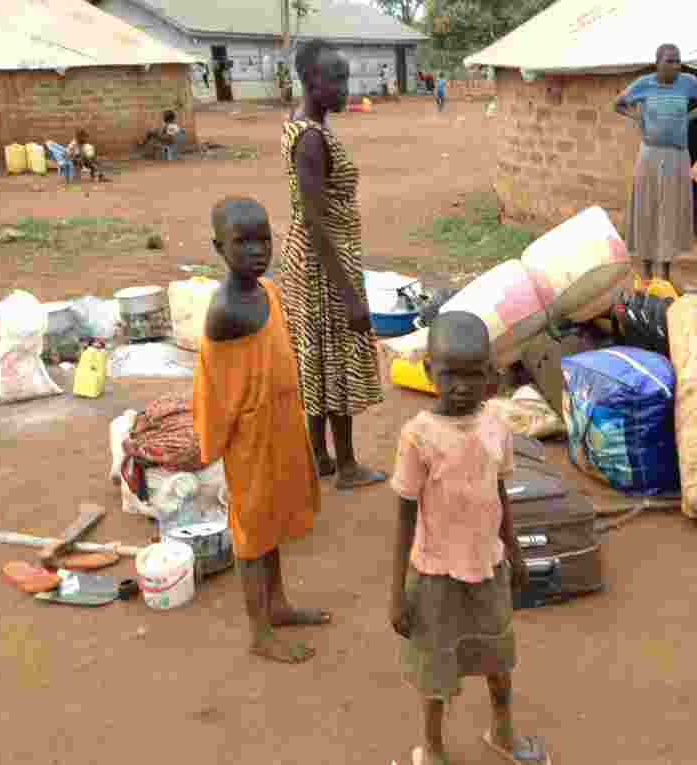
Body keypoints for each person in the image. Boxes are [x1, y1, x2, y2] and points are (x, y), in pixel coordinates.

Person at [389, 311, 550, 765]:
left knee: (499, 660)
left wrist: (514, 552)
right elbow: (404, 517)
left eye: (473, 374)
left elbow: (499, 493)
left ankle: (503, 732)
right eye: (449, 374)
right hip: (434, 575)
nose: (461, 386)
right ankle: (433, 748)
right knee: (435, 671)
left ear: (491, 377)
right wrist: (397, 593)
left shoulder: (496, 426)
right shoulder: (418, 437)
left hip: (488, 568)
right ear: (427, 372)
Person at [193, 197, 331, 665]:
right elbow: (215, 390)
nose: (257, 251)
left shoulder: (267, 292)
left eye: (263, 239)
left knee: (272, 521)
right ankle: (259, 631)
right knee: (252, 534)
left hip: (281, 427)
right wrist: (212, 445)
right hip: (250, 439)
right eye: (242, 242)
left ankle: (278, 604)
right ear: (218, 247)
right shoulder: (225, 313)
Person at [280, 39, 386, 490]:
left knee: (316, 357)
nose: (346, 87)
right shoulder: (310, 138)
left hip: (310, 260)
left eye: (346, 77)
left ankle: (319, 456)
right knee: (336, 357)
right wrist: (349, 296)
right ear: (310, 82)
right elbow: (316, 220)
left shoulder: (300, 124)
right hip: (324, 264)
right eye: (336, 79)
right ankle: (346, 465)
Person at [613, 43, 697, 282]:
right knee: (647, 208)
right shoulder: (643, 84)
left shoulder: (688, 82)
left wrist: (690, 117)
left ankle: (666, 272)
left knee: (669, 210)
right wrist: (637, 117)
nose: (675, 65)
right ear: (657, 62)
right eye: (670, 60)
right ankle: (647, 270)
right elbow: (617, 104)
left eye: (678, 60)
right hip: (649, 154)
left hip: (677, 155)